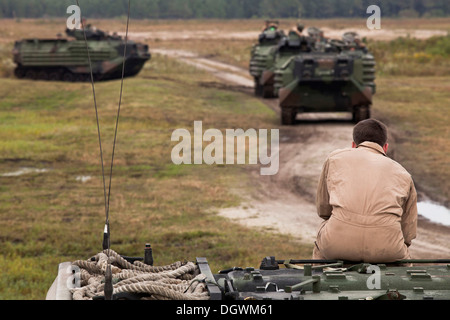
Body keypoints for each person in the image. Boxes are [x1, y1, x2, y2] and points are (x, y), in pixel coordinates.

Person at [312, 119, 418, 263]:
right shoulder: (404, 174)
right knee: (404, 265)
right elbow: (408, 232)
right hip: (387, 249)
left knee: (320, 247)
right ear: (385, 147)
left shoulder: (335, 158)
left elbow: (323, 210)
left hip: (337, 244)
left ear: (353, 145)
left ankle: (319, 280)